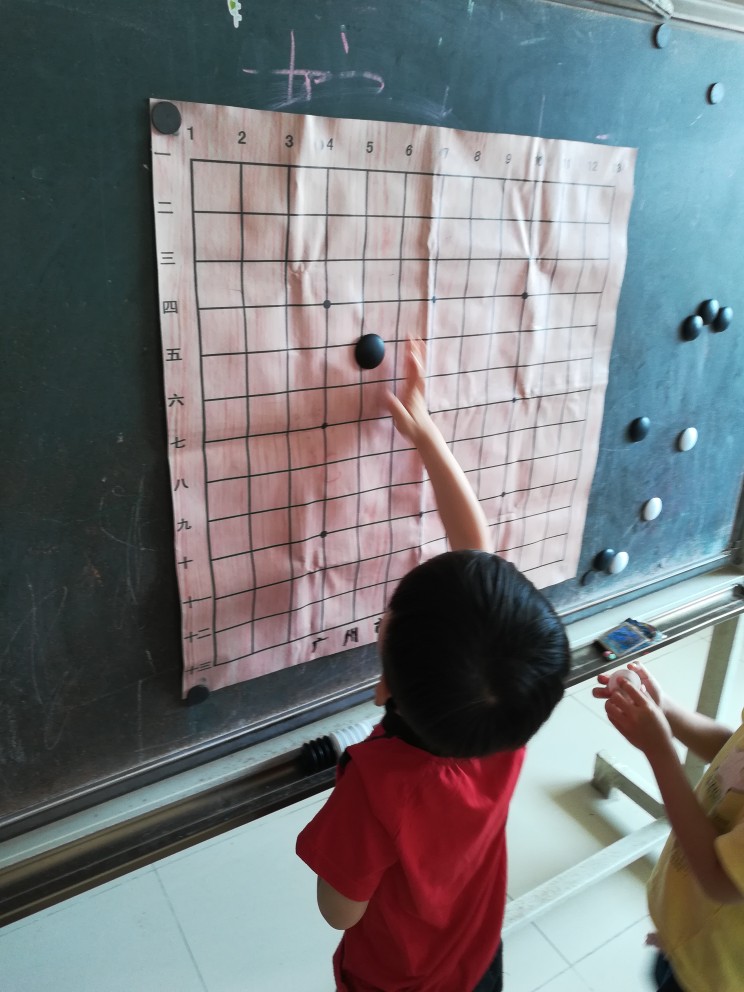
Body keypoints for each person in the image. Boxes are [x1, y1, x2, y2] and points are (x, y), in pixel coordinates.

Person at [296, 339, 571, 992]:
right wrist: (426, 436)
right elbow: (476, 548)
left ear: (383, 683)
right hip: (475, 958)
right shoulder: (498, 722)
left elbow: (339, 911)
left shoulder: (377, 785)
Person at [593, 661, 744, 992]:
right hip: (688, 927)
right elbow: (734, 748)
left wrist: (659, 750)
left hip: (714, 972)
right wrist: (666, 709)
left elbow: (720, 879)